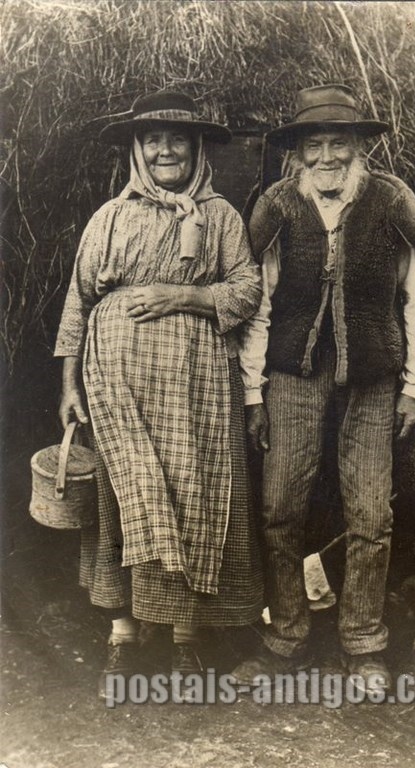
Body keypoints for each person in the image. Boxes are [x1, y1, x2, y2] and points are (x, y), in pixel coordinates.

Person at [54, 88, 263, 696]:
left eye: (178, 139)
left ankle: (186, 640)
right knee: (125, 493)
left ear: (197, 148)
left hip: (197, 386)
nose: (165, 149)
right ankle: (122, 632)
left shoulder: (220, 216)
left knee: (191, 493)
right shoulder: (109, 218)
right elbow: (78, 302)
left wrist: (184, 297)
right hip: (116, 380)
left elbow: (246, 292)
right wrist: (68, 384)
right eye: (154, 139)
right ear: (137, 150)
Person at [233, 83, 415, 693]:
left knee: (372, 511)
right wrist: (252, 393)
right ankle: (287, 637)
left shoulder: (390, 202)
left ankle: (363, 642)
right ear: (297, 152)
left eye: (340, 144)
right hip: (293, 375)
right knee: (280, 508)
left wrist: (414, 387)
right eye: (314, 144)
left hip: (374, 378)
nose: (327, 157)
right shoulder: (277, 206)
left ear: (359, 150)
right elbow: (260, 306)